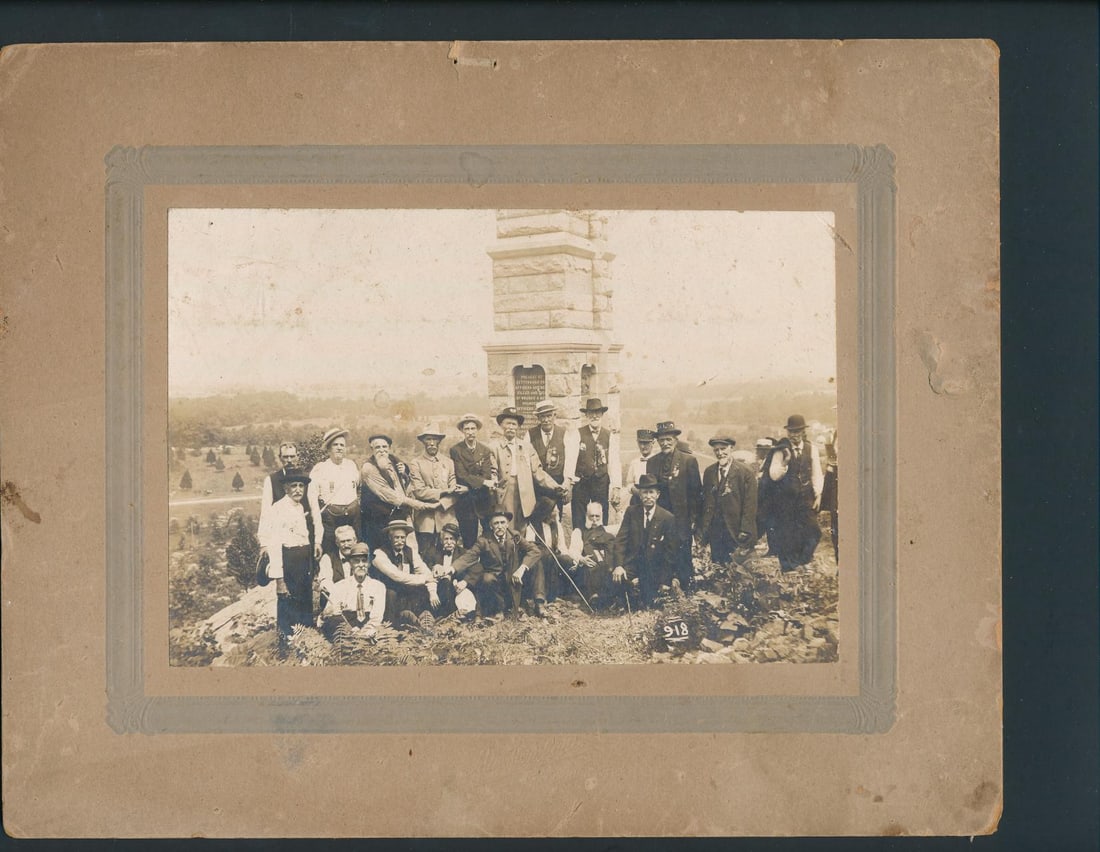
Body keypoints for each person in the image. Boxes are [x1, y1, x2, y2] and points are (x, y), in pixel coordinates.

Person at [257, 467, 322, 657]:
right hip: (288, 562)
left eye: (301, 486)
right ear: (285, 488)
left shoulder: (300, 506)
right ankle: (286, 647)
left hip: (303, 561)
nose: (298, 490)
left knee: (304, 602)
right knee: (287, 603)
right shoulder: (278, 509)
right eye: (293, 486)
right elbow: (276, 545)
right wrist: (279, 579)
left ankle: (307, 644)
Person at [451, 509, 545, 618]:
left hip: (515, 578)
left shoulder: (515, 536)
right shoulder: (484, 540)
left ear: (507, 524)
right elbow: (469, 556)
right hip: (497, 583)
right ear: (491, 526)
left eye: (502, 522)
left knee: (536, 563)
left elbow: (535, 551)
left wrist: (522, 568)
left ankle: (539, 603)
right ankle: (499, 610)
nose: (500, 526)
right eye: (496, 523)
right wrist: (452, 568)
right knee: (487, 578)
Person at [760, 414, 824, 571]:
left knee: (814, 531)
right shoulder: (780, 451)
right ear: (787, 432)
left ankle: (801, 562)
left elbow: (817, 473)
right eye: (791, 432)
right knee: (787, 534)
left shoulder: (811, 449)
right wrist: (786, 461)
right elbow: (774, 475)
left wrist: (818, 495)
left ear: (803, 432)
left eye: (797, 431)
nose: (794, 435)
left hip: (806, 498)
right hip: (786, 501)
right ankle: (788, 568)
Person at [492, 407, 566, 537]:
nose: (510, 427)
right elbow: (492, 472)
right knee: (507, 526)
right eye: (507, 423)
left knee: (523, 528)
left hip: (525, 493)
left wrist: (555, 486)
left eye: (514, 424)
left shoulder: (526, 447)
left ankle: (522, 554)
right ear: (501, 425)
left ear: (518, 427)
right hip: (505, 493)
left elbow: (537, 471)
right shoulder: (494, 447)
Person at [646, 420, 703, 590]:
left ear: (675, 440)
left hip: (682, 518)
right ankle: (663, 589)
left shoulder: (688, 461)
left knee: (683, 553)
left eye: (668, 439)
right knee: (662, 552)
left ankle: (686, 589)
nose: (665, 443)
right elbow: (649, 490)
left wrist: (693, 520)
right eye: (661, 440)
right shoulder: (652, 462)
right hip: (661, 517)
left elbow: (696, 494)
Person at [360, 434, 437, 551]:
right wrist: (423, 505)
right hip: (378, 519)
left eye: (384, 447)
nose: (381, 450)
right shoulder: (368, 468)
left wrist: (404, 475)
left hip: (399, 514)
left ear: (389, 448)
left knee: (408, 548)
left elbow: (404, 486)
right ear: (372, 449)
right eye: (377, 447)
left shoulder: (393, 461)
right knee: (382, 551)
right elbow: (391, 496)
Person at [613, 474, 678, 608]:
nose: (648, 496)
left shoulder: (667, 517)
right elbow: (621, 540)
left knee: (650, 599)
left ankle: (642, 596)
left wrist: (665, 580)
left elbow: (670, 553)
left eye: (651, 492)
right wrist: (619, 565)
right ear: (639, 495)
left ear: (657, 494)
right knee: (616, 579)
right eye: (644, 492)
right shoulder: (631, 512)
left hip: (654, 568)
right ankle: (629, 594)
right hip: (633, 564)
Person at [698, 434, 758, 567]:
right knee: (718, 568)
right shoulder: (709, 472)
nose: (720, 453)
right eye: (716, 450)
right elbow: (707, 502)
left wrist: (745, 530)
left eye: (723, 449)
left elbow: (750, 505)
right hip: (716, 532)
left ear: (731, 448)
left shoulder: (745, 472)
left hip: (737, 532)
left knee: (739, 570)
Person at [407, 422, 466, 556]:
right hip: (425, 521)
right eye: (428, 439)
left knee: (447, 553)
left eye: (435, 439)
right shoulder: (416, 463)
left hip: (447, 517)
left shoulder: (448, 463)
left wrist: (442, 504)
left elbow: (455, 490)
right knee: (425, 554)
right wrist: (444, 492)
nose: (432, 443)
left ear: (439, 441)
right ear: (423, 441)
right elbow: (419, 491)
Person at [370, 518, 441, 623]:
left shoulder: (410, 552)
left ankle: (421, 625)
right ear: (390, 538)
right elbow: (397, 576)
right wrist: (425, 578)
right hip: (388, 594)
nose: (400, 541)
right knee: (391, 594)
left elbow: (426, 572)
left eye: (402, 537)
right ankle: (390, 628)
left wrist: (433, 592)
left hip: (405, 592)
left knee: (421, 590)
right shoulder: (379, 554)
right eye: (396, 537)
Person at [309, 428, 361, 569]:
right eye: (335, 445)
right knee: (331, 553)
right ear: (328, 448)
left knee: (355, 550)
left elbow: (357, 487)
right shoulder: (320, 469)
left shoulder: (351, 465)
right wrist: (318, 537)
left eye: (342, 445)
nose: (339, 448)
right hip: (331, 519)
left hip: (352, 516)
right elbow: (313, 502)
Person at [566, 397, 621, 527]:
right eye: (591, 413)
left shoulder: (609, 436)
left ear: (602, 414)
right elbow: (570, 459)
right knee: (579, 519)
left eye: (597, 413)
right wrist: (568, 482)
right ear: (586, 415)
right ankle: (579, 545)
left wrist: (616, 487)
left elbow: (614, 462)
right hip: (582, 482)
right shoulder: (578, 434)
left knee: (601, 517)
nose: (594, 416)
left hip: (601, 483)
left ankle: (600, 545)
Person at [259, 442, 322, 554]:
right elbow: (265, 513)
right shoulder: (271, 480)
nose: (289, 460)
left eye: (292, 456)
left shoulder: (308, 479)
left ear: (297, 456)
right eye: (285, 457)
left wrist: (318, 541)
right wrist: (264, 543)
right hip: (281, 536)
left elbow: (315, 512)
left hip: (305, 535)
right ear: (279, 458)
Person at [449, 413, 499, 549]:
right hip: (466, 502)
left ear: (477, 430)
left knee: (489, 537)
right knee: (469, 539)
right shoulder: (456, 450)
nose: (470, 432)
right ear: (462, 431)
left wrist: (471, 486)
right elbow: (461, 475)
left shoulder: (485, 450)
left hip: (483, 500)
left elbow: (487, 475)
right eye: (467, 429)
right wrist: (482, 483)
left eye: (473, 428)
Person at [321, 542, 387, 640]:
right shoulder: (339, 586)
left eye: (364, 561)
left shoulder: (378, 586)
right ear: (351, 563)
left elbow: (377, 616)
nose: (361, 565)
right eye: (356, 561)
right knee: (333, 623)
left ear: (369, 564)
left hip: (368, 623)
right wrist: (328, 612)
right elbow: (326, 615)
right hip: (346, 624)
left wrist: (364, 633)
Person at [565, 500, 618, 609]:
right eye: (591, 516)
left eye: (597, 517)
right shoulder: (579, 532)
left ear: (602, 516)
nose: (594, 520)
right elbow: (573, 551)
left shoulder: (608, 530)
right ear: (586, 516)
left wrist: (618, 510)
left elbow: (624, 526)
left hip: (606, 565)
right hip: (588, 566)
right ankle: (596, 597)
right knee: (591, 568)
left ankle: (607, 597)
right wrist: (581, 559)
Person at [526, 399, 569, 517]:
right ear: (538, 418)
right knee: (538, 519)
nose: (546, 420)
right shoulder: (530, 434)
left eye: (549, 416)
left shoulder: (564, 434)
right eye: (542, 417)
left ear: (554, 416)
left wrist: (566, 484)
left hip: (557, 487)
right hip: (538, 488)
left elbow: (569, 461)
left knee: (555, 518)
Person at [315, 523, 359, 611]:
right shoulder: (327, 558)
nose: (346, 545)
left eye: (349, 540)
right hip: (335, 602)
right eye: (342, 541)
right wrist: (342, 596)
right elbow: (326, 582)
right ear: (337, 543)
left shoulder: (361, 557)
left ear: (355, 540)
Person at [625, 428, 660, 507]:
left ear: (653, 442)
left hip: (654, 500)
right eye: (640, 443)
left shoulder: (658, 461)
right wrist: (635, 490)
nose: (643, 446)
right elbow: (629, 483)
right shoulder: (634, 462)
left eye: (646, 443)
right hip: (637, 500)